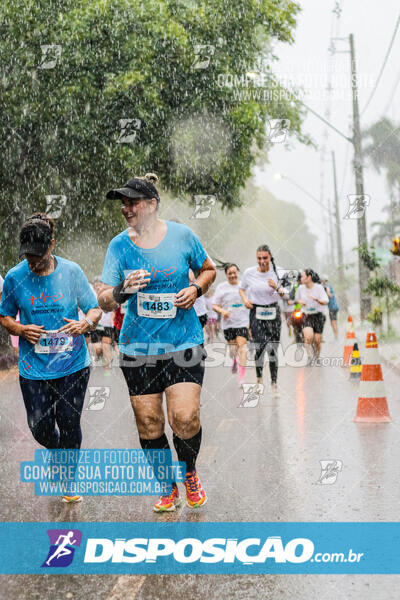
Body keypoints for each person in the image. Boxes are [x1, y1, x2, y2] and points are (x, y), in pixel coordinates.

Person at [97, 173, 216, 512]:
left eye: (132, 202)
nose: (125, 208)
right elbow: (105, 299)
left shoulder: (182, 236)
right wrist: (123, 290)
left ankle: (189, 472)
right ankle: (167, 487)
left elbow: (209, 270)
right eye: (123, 203)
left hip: (183, 342)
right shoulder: (119, 246)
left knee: (185, 416)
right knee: (149, 422)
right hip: (138, 348)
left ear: (151, 205)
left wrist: (195, 290)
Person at [0, 213, 101, 503]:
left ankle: (69, 477)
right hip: (34, 368)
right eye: (27, 255)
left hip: (72, 363)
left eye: (38, 255)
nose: (32, 261)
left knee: (69, 420)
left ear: (52, 244)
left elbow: (94, 309)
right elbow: (4, 315)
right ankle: (57, 453)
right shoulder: (16, 277)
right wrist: (20, 328)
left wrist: (86, 324)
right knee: (39, 427)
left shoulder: (72, 272)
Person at [239, 245, 288, 396]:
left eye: (265, 258)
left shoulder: (279, 272)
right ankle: (259, 379)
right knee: (259, 347)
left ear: (270, 257)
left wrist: (277, 287)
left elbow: (287, 295)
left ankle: (274, 384)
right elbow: (241, 288)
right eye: (259, 258)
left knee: (272, 349)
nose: (262, 261)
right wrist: (245, 299)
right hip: (256, 312)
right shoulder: (249, 273)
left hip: (273, 312)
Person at [212, 262, 249, 387]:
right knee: (233, 351)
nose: (232, 275)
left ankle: (241, 379)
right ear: (226, 274)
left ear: (238, 272)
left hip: (242, 322)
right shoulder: (221, 288)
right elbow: (214, 305)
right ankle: (234, 360)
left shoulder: (244, 287)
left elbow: (250, 303)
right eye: (230, 273)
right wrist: (222, 311)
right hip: (228, 325)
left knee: (243, 349)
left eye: (234, 273)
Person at [295, 269, 329, 365]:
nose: (301, 278)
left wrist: (317, 300)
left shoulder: (319, 288)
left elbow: (326, 301)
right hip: (306, 315)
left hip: (318, 315)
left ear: (309, 277)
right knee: (308, 337)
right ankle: (309, 357)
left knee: (317, 340)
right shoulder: (300, 288)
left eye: (302, 276)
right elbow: (297, 299)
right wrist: (300, 301)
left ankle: (317, 356)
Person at [321, 274, 339, 339]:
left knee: (333, 322)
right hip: (335, 306)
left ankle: (336, 337)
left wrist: (325, 298)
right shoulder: (329, 285)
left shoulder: (326, 286)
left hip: (332, 307)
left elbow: (329, 294)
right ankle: (336, 336)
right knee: (334, 322)